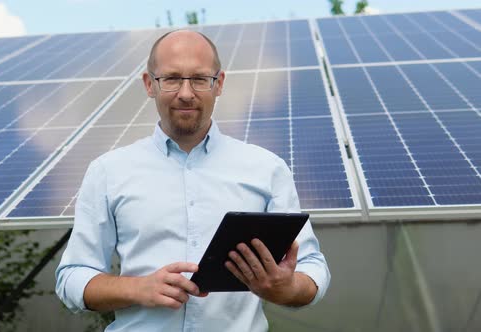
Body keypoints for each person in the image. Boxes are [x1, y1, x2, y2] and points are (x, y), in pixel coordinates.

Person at [56, 29, 330, 331]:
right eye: (171, 78)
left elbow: (312, 268)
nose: (186, 93)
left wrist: (286, 288)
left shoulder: (267, 169)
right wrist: (137, 288)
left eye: (200, 79)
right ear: (150, 84)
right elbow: (72, 277)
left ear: (219, 84)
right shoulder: (108, 171)